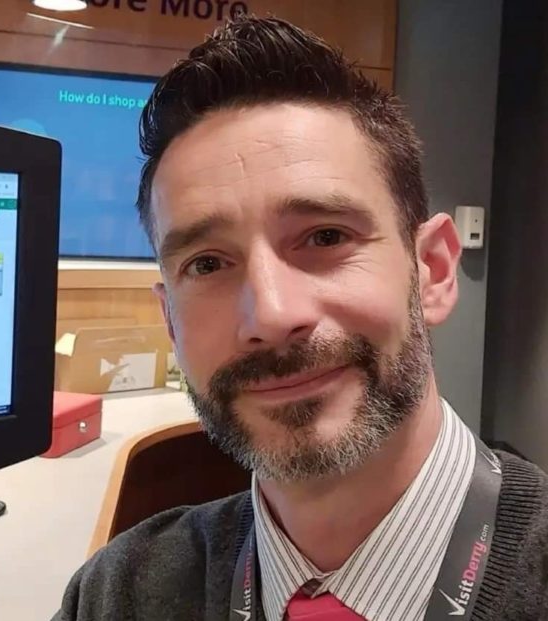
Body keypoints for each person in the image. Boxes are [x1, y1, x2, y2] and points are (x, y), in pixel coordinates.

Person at [53, 15, 548, 621]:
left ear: (434, 271)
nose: (271, 314)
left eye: (325, 236)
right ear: (171, 321)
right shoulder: (115, 595)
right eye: (208, 264)